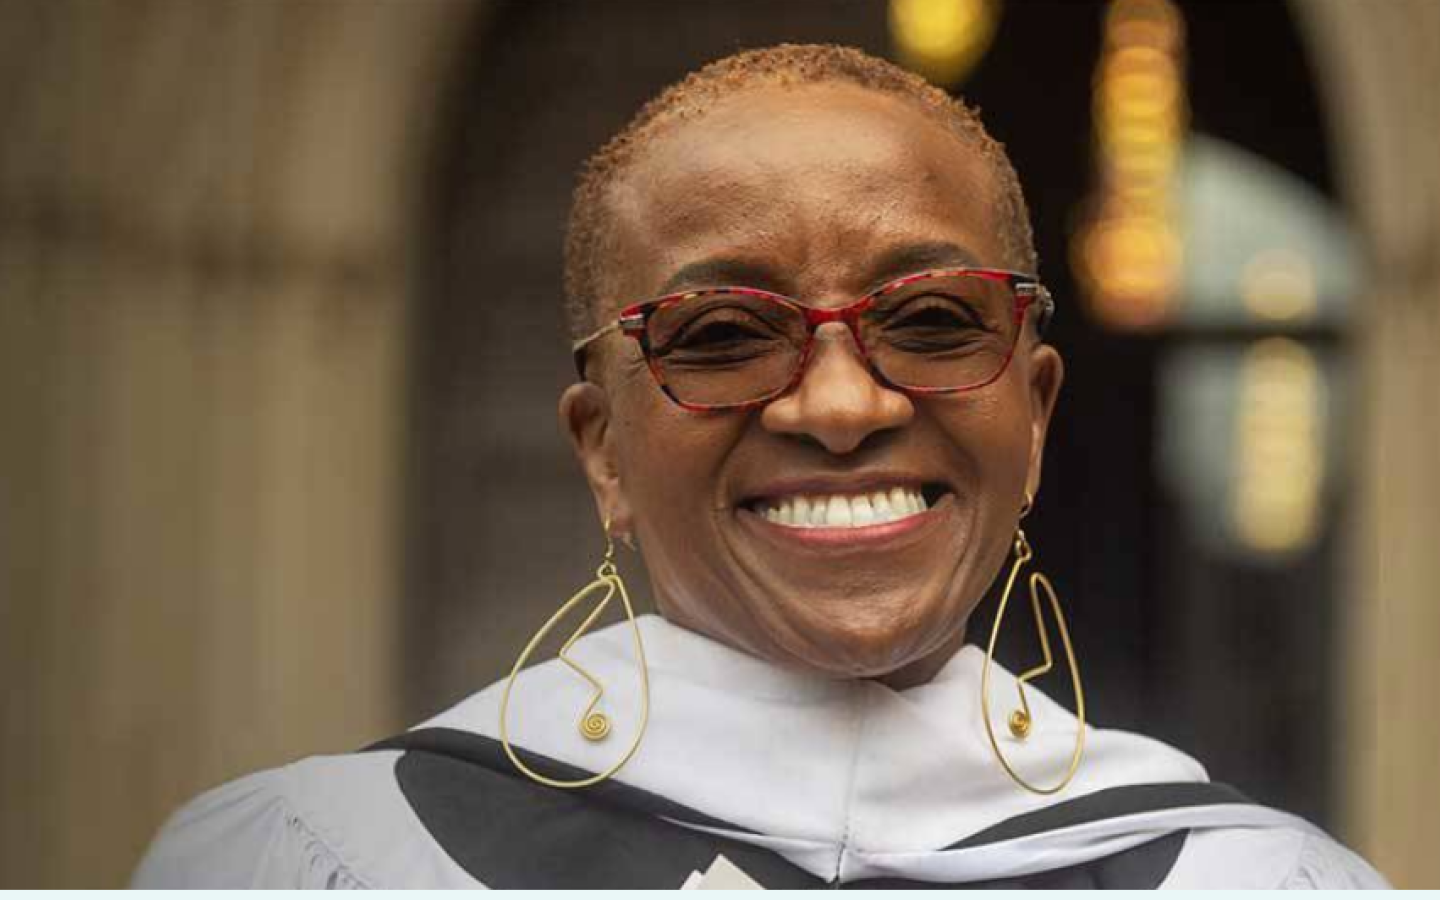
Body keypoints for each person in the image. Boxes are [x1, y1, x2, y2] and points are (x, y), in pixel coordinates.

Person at [132, 44, 1387, 889]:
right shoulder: (319, 863)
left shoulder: (1258, 880)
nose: (840, 406)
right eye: (724, 335)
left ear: (1037, 413)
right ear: (602, 450)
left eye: (931, 320)